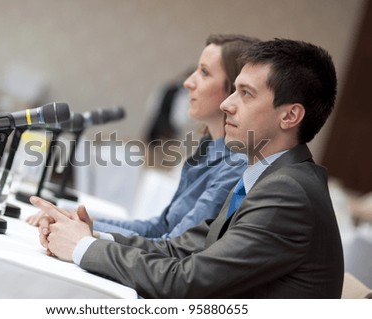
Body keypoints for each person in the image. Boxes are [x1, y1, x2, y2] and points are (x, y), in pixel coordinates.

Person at [31, 38, 344, 298]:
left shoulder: (288, 192)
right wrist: (89, 235)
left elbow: (187, 282)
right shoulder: (263, 175)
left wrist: (84, 247)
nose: (227, 104)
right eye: (233, 90)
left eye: (246, 94)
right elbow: (179, 249)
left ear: (290, 116)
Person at [28, 34, 258, 241]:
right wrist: (81, 221)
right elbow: (159, 226)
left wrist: (91, 233)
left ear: (234, 91)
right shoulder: (208, 148)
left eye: (204, 73)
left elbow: (173, 246)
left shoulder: (235, 164)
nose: (188, 82)